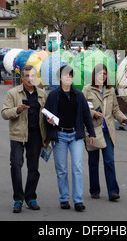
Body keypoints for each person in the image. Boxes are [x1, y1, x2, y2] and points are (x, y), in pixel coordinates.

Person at [44, 65, 96, 212]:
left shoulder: (79, 95)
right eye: (65, 75)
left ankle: (78, 200)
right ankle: (64, 198)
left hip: (76, 135)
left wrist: (91, 133)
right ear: (60, 77)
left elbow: (86, 115)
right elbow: (46, 114)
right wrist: (48, 120)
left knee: (77, 168)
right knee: (61, 169)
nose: (68, 77)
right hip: (59, 135)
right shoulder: (53, 95)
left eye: (70, 75)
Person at [1, 65, 48, 213]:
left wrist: (49, 126)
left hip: (36, 136)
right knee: (16, 165)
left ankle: (30, 197)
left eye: (32, 76)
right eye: (27, 76)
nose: (30, 79)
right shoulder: (13, 93)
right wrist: (17, 109)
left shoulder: (42, 94)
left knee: (33, 168)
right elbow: (4, 113)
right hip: (18, 135)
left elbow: (47, 114)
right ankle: (18, 199)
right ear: (22, 78)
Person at [82, 64, 127, 201]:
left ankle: (113, 191)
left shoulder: (110, 90)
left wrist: (122, 118)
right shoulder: (87, 89)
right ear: (94, 75)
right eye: (99, 74)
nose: (101, 76)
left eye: (104, 74)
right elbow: (83, 109)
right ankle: (95, 190)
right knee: (93, 162)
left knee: (109, 161)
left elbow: (115, 109)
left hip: (107, 131)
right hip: (93, 131)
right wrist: (93, 113)